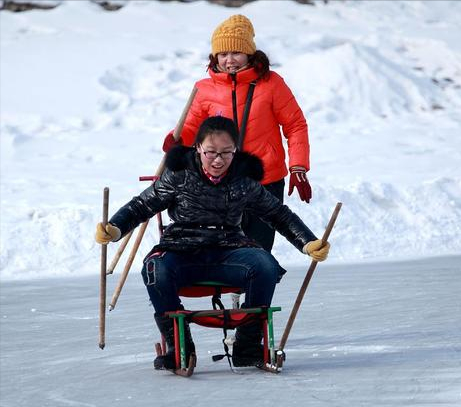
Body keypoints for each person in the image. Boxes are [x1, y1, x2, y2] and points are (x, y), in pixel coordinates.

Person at [96, 116, 330, 369]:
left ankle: (248, 346)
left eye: (226, 153)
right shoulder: (179, 176)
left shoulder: (244, 180)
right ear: (197, 148)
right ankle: (179, 345)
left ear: (236, 151)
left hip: (229, 251)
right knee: (154, 268)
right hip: (182, 250)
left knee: (264, 265)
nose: (218, 160)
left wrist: (307, 243)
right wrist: (115, 228)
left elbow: (278, 214)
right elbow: (142, 205)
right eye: (210, 152)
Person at [162, 14, 311, 253]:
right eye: (223, 54)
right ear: (215, 57)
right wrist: (177, 139)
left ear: (249, 53)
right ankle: (228, 291)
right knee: (224, 249)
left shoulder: (272, 83)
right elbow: (192, 128)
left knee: (258, 251)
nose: (229, 60)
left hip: (266, 179)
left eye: (236, 53)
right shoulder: (204, 89)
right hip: (221, 182)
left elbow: (295, 125)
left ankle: (246, 290)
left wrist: (298, 166)